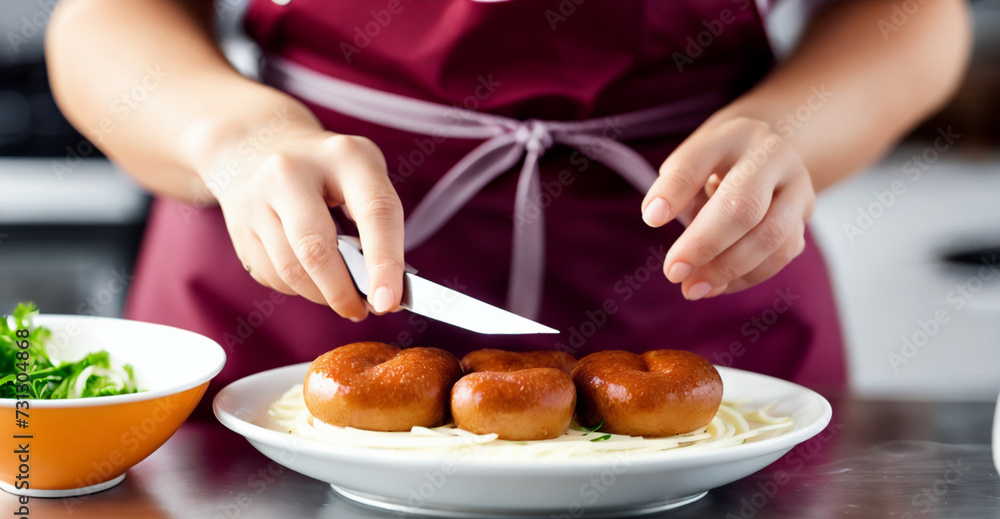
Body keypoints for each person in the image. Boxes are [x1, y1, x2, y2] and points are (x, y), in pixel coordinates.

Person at [46, 0, 969, 417]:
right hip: (301, 259)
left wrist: (795, 129)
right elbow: (102, 18)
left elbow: (912, 14)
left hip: (693, 261)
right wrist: (235, 137)